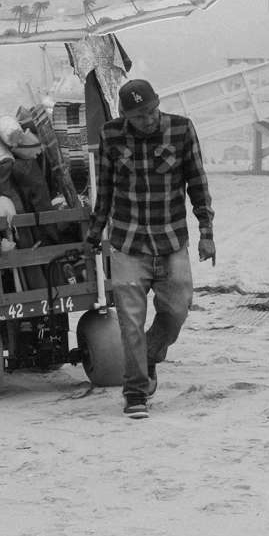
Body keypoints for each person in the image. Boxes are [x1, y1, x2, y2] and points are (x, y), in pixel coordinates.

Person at [87, 77, 215, 420]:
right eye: (141, 115)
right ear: (126, 116)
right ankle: (135, 393)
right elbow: (106, 189)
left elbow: (197, 182)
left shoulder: (181, 130)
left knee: (176, 311)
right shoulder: (111, 135)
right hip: (127, 243)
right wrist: (95, 233)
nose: (149, 119)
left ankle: (151, 354)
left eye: (152, 110)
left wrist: (206, 231)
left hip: (171, 240)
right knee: (130, 323)